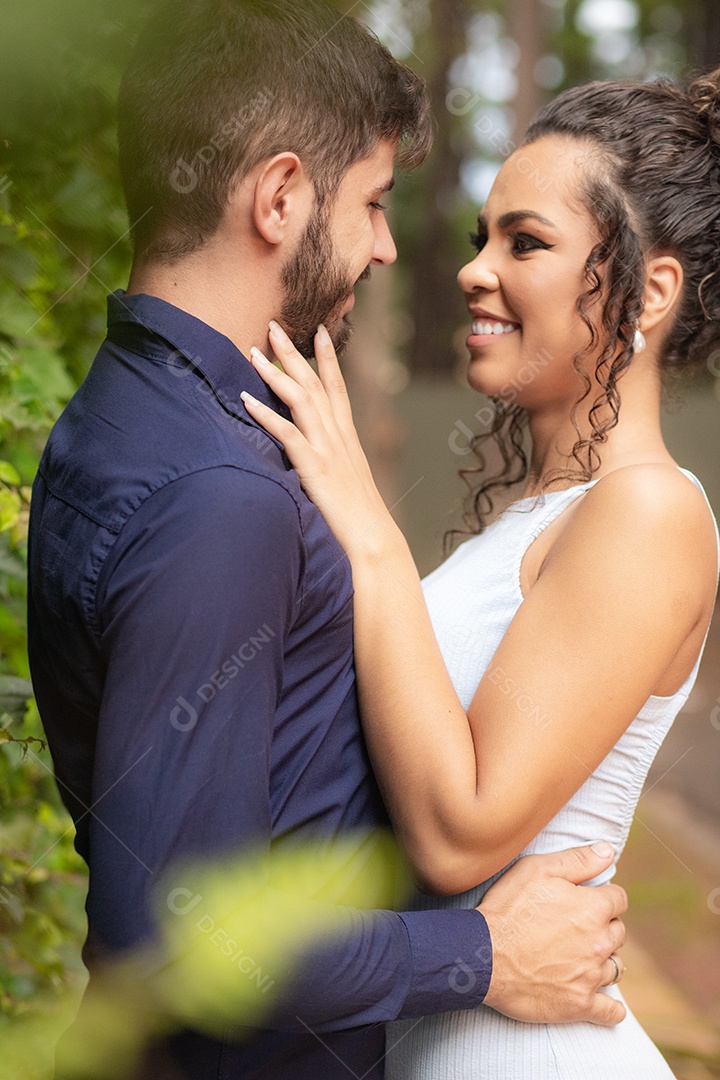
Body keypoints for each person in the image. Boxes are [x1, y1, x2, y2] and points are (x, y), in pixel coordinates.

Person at [27, 2, 629, 1078]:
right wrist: (482, 955)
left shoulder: (123, 416)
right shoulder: (221, 496)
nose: (390, 246)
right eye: (373, 204)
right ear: (280, 195)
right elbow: (180, 937)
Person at [242, 67, 720, 1078]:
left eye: (527, 242)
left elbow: (462, 835)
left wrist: (367, 528)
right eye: (483, 238)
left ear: (654, 292)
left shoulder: (648, 510)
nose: (475, 270)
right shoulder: (537, 518)